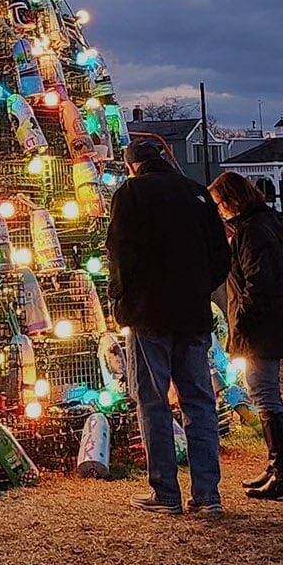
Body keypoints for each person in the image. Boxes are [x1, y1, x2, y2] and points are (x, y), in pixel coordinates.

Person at [104, 139, 230, 517]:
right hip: (192, 314)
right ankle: (208, 494)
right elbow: (220, 253)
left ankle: (165, 492)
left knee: (153, 401)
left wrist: (120, 299)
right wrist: (197, 288)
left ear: (132, 166)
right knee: (199, 402)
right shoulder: (195, 193)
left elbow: (120, 252)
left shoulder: (131, 194)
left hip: (148, 313)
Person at [211, 171, 283, 501]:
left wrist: (243, 324)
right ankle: (276, 467)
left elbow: (257, 283)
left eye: (219, 203)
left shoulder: (252, 231)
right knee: (263, 392)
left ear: (231, 200)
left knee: (265, 395)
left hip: (259, 326)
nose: (218, 210)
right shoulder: (261, 226)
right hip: (265, 323)